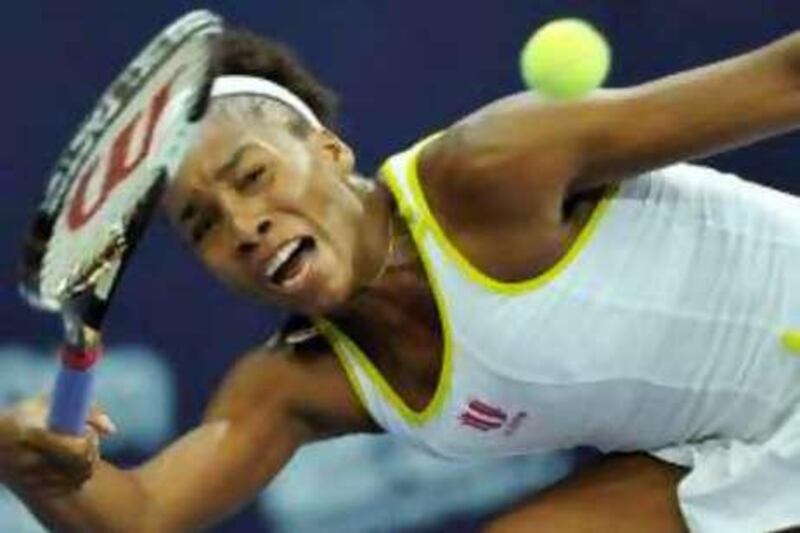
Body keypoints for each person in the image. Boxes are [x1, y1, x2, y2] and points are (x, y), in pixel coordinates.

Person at [3, 24, 800, 532]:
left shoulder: (495, 166)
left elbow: (784, 79)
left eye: (252, 177)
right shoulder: (296, 384)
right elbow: (140, 517)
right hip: (731, 445)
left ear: (329, 151)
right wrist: (26, 459)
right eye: (204, 226)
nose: (244, 227)